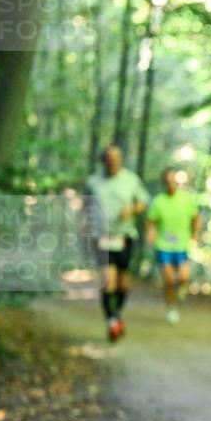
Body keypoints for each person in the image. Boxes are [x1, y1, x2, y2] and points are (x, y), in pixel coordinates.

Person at [86, 145, 149, 342]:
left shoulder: (131, 179)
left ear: (121, 160)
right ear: (102, 160)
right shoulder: (93, 182)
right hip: (101, 236)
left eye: (115, 158)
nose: (112, 162)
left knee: (122, 283)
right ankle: (112, 321)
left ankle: (116, 314)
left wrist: (131, 209)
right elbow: (85, 206)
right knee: (107, 281)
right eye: (108, 158)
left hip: (125, 236)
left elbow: (144, 202)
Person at [146, 168, 201, 325]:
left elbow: (196, 218)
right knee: (169, 280)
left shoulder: (186, 199)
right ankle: (171, 308)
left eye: (173, 181)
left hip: (182, 245)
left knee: (184, 278)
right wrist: (151, 232)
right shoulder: (158, 202)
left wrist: (195, 233)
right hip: (163, 246)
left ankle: (181, 290)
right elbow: (150, 221)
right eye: (168, 182)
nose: (171, 185)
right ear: (164, 183)